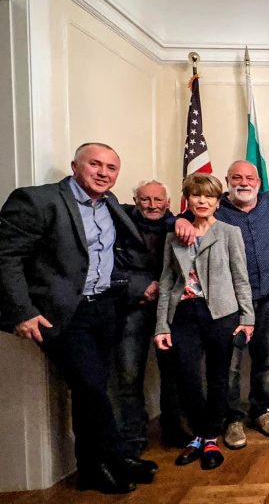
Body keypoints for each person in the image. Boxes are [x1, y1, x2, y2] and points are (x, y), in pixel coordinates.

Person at [0, 143, 157, 494]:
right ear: (75, 166)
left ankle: (94, 466)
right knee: (90, 386)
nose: (103, 173)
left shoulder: (110, 204)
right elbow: (5, 257)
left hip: (105, 307)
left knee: (93, 388)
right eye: (95, 164)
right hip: (62, 313)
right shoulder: (37, 201)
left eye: (111, 168)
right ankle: (113, 457)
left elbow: (125, 247)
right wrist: (22, 311)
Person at [176, 160, 269, 448]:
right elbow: (182, 218)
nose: (244, 182)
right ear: (227, 181)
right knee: (231, 365)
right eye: (236, 177)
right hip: (231, 302)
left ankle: (261, 410)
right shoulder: (216, 207)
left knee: (266, 359)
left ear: (259, 182)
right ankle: (232, 418)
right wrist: (177, 221)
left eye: (250, 178)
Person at [155, 174, 255, 471]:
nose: (202, 201)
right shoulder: (174, 235)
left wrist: (248, 318)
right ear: (187, 199)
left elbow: (241, 278)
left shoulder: (229, 232)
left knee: (218, 376)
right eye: (196, 195)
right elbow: (166, 282)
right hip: (184, 314)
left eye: (209, 196)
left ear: (217, 201)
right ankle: (198, 433)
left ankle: (210, 436)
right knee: (186, 376)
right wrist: (161, 325)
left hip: (221, 314)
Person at [110, 180, 186, 459]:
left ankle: (173, 428)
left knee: (173, 372)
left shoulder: (178, 226)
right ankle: (134, 435)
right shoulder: (117, 225)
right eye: (145, 199)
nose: (152, 205)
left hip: (169, 308)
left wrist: (162, 288)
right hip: (133, 306)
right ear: (135, 200)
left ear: (168, 203)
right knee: (129, 374)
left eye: (158, 200)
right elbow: (105, 264)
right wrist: (139, 287)